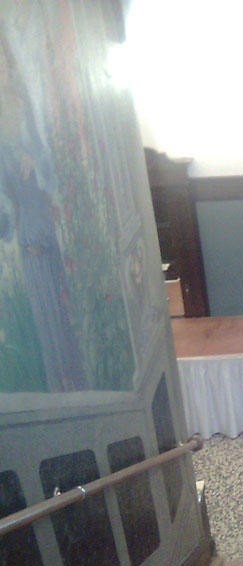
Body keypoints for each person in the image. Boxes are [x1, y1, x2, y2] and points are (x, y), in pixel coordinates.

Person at [0, 26, 86, 392]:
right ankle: (59, 390)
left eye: (2, 59)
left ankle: (77, 388)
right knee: (42, 318)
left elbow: (46, 157)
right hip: (24, 228)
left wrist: (34, 161)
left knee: (62, 314)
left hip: (44, 220)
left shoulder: (24, 106)